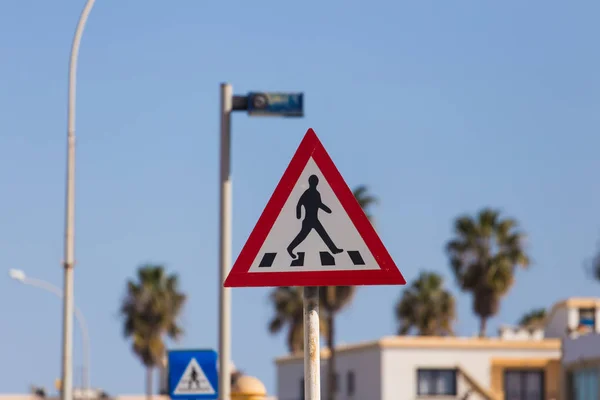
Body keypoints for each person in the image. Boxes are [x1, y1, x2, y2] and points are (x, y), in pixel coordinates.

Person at [287, 174, 343, 259]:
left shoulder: (317, 193)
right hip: (308, 220)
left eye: (315, 182)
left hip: (314, 219)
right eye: (313, 181)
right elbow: (299, 204)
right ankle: (290, 248)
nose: (314, 183)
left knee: (323, 234)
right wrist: (298, 215)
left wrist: (327, 209)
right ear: (311, 183)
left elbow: (319, 204)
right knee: (302, 236)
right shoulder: (307, 192)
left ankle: (333, 249)